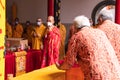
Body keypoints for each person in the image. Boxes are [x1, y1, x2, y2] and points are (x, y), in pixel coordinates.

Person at [56, 15, 120, 80]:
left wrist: (60, 67)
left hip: (97, 75)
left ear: (75, 27)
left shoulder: (77, 36)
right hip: (115, 72)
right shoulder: (100, 32)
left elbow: (69, 62)